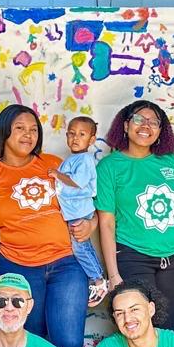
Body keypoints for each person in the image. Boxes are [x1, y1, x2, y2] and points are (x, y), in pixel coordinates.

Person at [0, 106, 93, 347]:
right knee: (29, 344)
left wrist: (90, 224)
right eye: (20, 128)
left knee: (69, 345)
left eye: (33, 129)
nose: (28, 135)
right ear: (4, 132)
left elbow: (84, 204)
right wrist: (11, 245)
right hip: (19, 270)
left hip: (67, 264)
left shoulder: (53, 163)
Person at [97, 100, 174, 332]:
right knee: (138, 327)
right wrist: (113, 275)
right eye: (139, 119)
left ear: (160, 130)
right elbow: (106, 223)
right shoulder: (109, 167)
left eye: (154, 122)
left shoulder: (169, 160)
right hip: (134, 256)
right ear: (126, 125)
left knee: (166, 327)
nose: (146, 126)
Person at [54, 115, 109, 305]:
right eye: (71, 134)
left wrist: (57, 175)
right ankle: (97, 277)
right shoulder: (75, 158)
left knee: (79, 248)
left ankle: (98, 280)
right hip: (73, 210)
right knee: (83, 245)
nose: (75, 138)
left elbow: (76, 182)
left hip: (79, 210)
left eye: (82, 134)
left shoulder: (84, 159)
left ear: (92, 140)